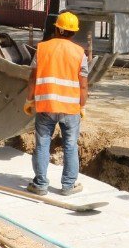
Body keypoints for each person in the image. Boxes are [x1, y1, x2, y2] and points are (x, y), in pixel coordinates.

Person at [23, 11, 89, 196]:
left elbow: (32, 79)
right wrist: (82, 106)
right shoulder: (80, 53)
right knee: (70, 145)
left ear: (57, 28)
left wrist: (29, 101)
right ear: (73, 32)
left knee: (42, 144)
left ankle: (40, 184)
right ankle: (68, 185)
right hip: (70, 109)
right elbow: (83, 85)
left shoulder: (42, 48)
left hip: (46, 107)